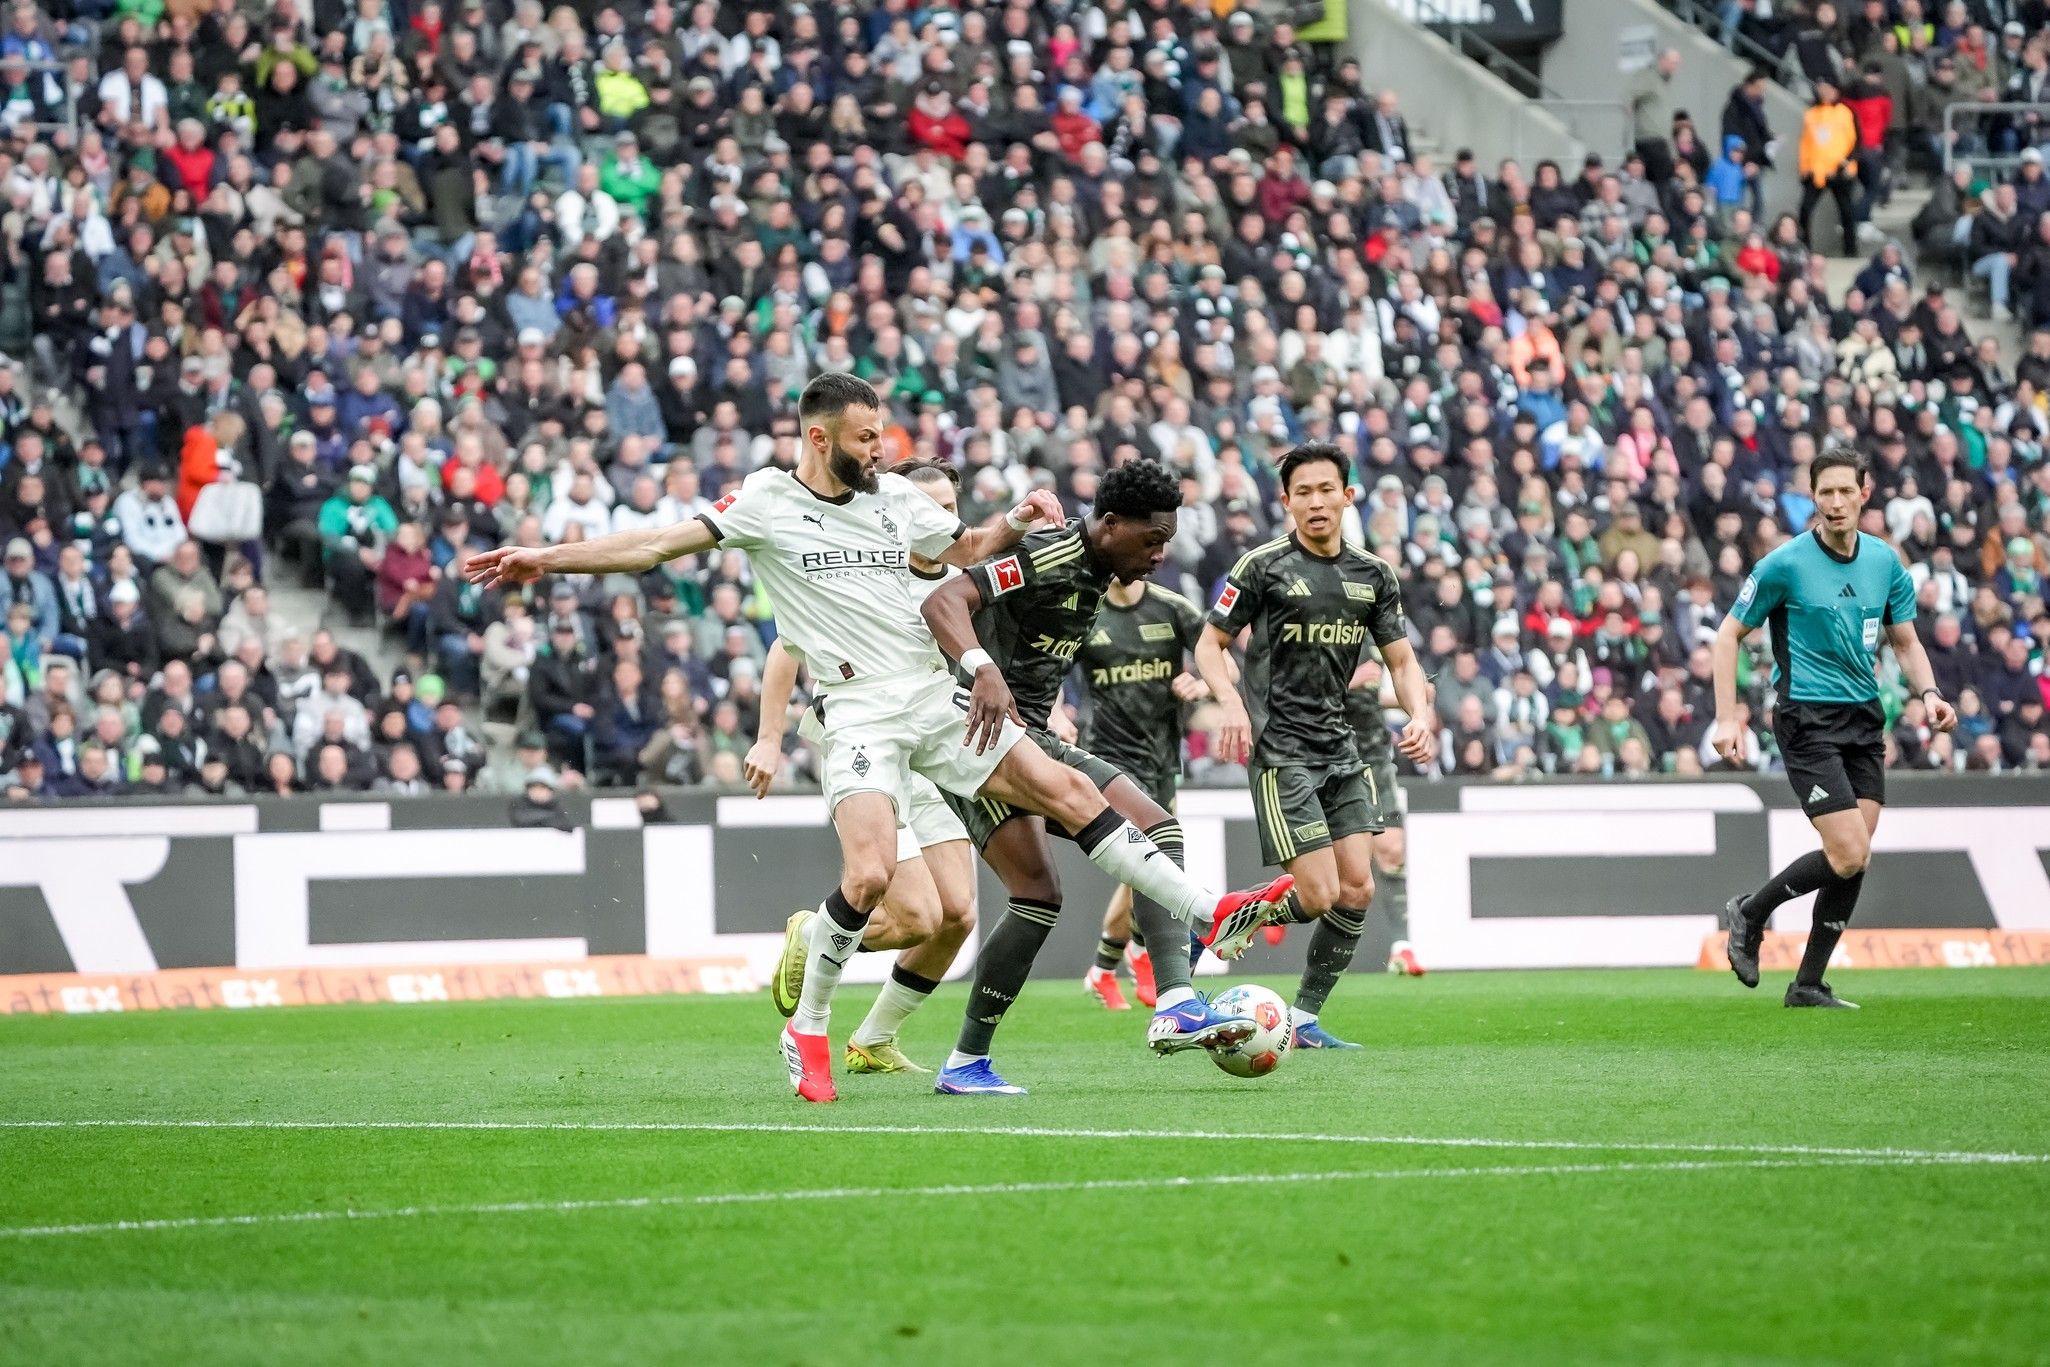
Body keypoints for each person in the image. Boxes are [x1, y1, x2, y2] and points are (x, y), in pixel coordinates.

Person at [465, 374, 1291, 1103]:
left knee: (1069, 792)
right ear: (819, 437)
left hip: (936, 702)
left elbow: (962, 552)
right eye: (866, 439)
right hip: (857, 710)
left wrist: (1009, 521)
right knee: (866, 877)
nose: (880, 450)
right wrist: (548, 556)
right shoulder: (763, 503)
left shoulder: (895, 499)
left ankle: (1209, 913)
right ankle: (812, 1029)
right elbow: (652, 543)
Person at [919, 457, 1262, 1095]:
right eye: (1152, 538)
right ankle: (973, 1060)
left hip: (1032, 736)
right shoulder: (1052, 552)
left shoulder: (1104, 574)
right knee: (1066, 879)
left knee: (1143, 839)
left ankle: (1171, 1003)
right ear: (1107, 524)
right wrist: (981, 670)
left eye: (1169, 539)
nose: (1161, 552)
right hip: (979, 736)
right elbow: (947, 599)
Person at [1196, 443, 1435, 1050]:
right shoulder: (1262, 566)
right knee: (1320, 893)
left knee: (1358, 889)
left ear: (1347, 496)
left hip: (1342, 749)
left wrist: (1422, 714)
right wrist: (1230, 704)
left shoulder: (1373, 575)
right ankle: (1222, 915)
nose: (1316, 501)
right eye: (1302, 492)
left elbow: (1402, 661)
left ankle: (1301, 1020)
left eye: (1326, 489)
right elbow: (1209, 644)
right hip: (1282, 753)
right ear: (1286, 502)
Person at [746, 459, 977, 1077]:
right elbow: (784, 646)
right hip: (868, 740)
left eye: (950, 508)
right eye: (929, 507)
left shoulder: (961, 579)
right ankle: (815, 931)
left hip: (929, 745)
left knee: (957, 916)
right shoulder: (863, 569)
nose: (940, 520)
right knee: (915, 916)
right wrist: (769, 737)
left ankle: (873, 1039)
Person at [1715, 444, 1959, 1008]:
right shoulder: (1785, 564)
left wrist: (1929, 693)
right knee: (1848, 852)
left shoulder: (1884, 563)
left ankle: (1807, 984)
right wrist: (1728, 717)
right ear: (1813, 497)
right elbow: (1728, 635)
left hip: (1863, 717)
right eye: (1824, 491)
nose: (1835, 501)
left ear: (1864, 493)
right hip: (1806, 717)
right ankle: (1750, 913)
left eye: (1845, 490)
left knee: (1856, 855)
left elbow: (1905, 641)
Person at [1066, 571, 1209, 1010]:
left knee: (1143, 867)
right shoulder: (1086, 612)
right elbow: (1050, 667)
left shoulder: (1174, 608)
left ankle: (1104, 968)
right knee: (1147, 858)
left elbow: (1220, 657)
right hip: (1108, 759)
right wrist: (1057, 712)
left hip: (1163, 758)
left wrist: (1201, 683)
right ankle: (1143, 955)